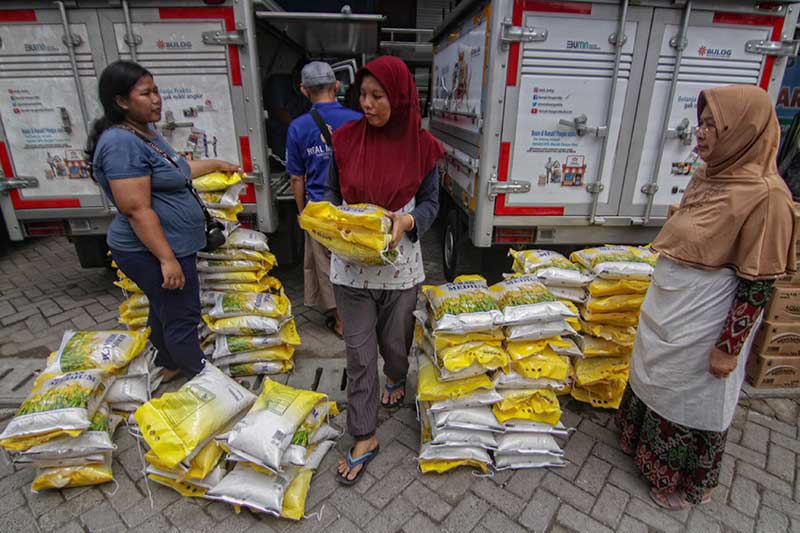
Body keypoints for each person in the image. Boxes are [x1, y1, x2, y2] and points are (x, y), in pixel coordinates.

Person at [615, 85, 797, 510]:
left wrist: (728, 348)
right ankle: (640, 448)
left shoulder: (768, 197)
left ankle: (685, 483)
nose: (700, 132)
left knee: (691, 396)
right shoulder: (711, 175)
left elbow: (758, 285)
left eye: (714, 125)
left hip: (706, 320)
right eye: (701, 123)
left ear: (743, 131)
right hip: (673, 309)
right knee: (656, 379)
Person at [324, 56, 444, 485]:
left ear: (400, 98)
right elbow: (330, 194)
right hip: (351, 269)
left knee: (395, 346)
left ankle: (396, 374)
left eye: (378, 96)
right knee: (359, 355)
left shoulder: (423, 148)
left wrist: (407, 221)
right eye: (363, 94)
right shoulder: (345, 140)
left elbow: (430, 203)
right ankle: (364, 434)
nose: (367, 104)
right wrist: (334, 223)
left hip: (400, 268)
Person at [86, 60, 241, 380]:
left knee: (165, 307)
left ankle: (169, 363)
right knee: (182, 314)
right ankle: (203, 378)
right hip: (151, 250)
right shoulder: (120, 144)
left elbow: (178, 170)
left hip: (171, 245)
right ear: (121, 101)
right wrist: (166, 259)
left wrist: (216, 163)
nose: (156, 99)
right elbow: (137, 210)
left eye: (156, 91)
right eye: (146, 93)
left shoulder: (144, 132)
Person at [287, 62, 362, 337]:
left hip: (320, 208)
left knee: (327, 266)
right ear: (337, 86)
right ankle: (361, 315)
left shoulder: (297, 127)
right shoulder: (357, 119)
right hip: (355, 208)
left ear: (303, 90)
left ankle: (340, 320)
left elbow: (297, 178)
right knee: (356, 261)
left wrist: (301, 213)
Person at [265, 58, 312, 168]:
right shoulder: (278, 83)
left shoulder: (307, 90)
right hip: (277, 137)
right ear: (295, 73)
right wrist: (300, 130)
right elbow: (279, 111)